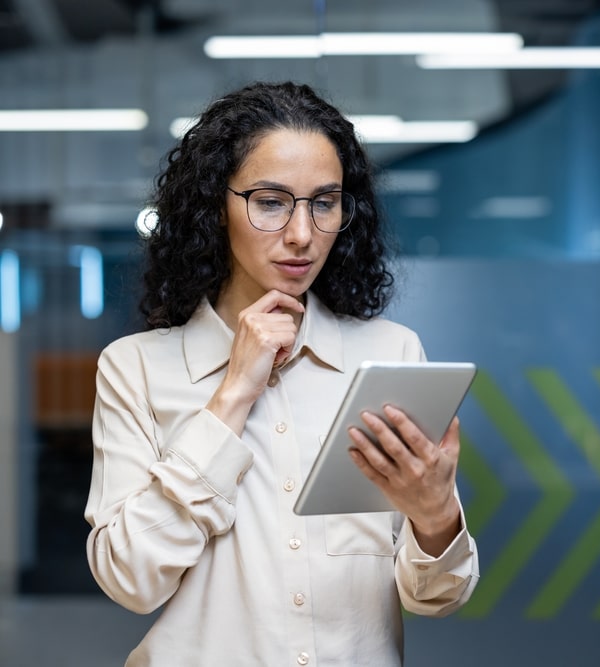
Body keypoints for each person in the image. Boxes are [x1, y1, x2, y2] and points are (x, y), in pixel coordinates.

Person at [83, 81, 479, 666]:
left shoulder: (390, 353)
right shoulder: (135, 368)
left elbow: (435, 598)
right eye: (270, 202)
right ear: (215, 206)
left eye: (324, 202)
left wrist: (435, 516)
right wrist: (232, 397)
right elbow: (130, 580)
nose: (301, 234)